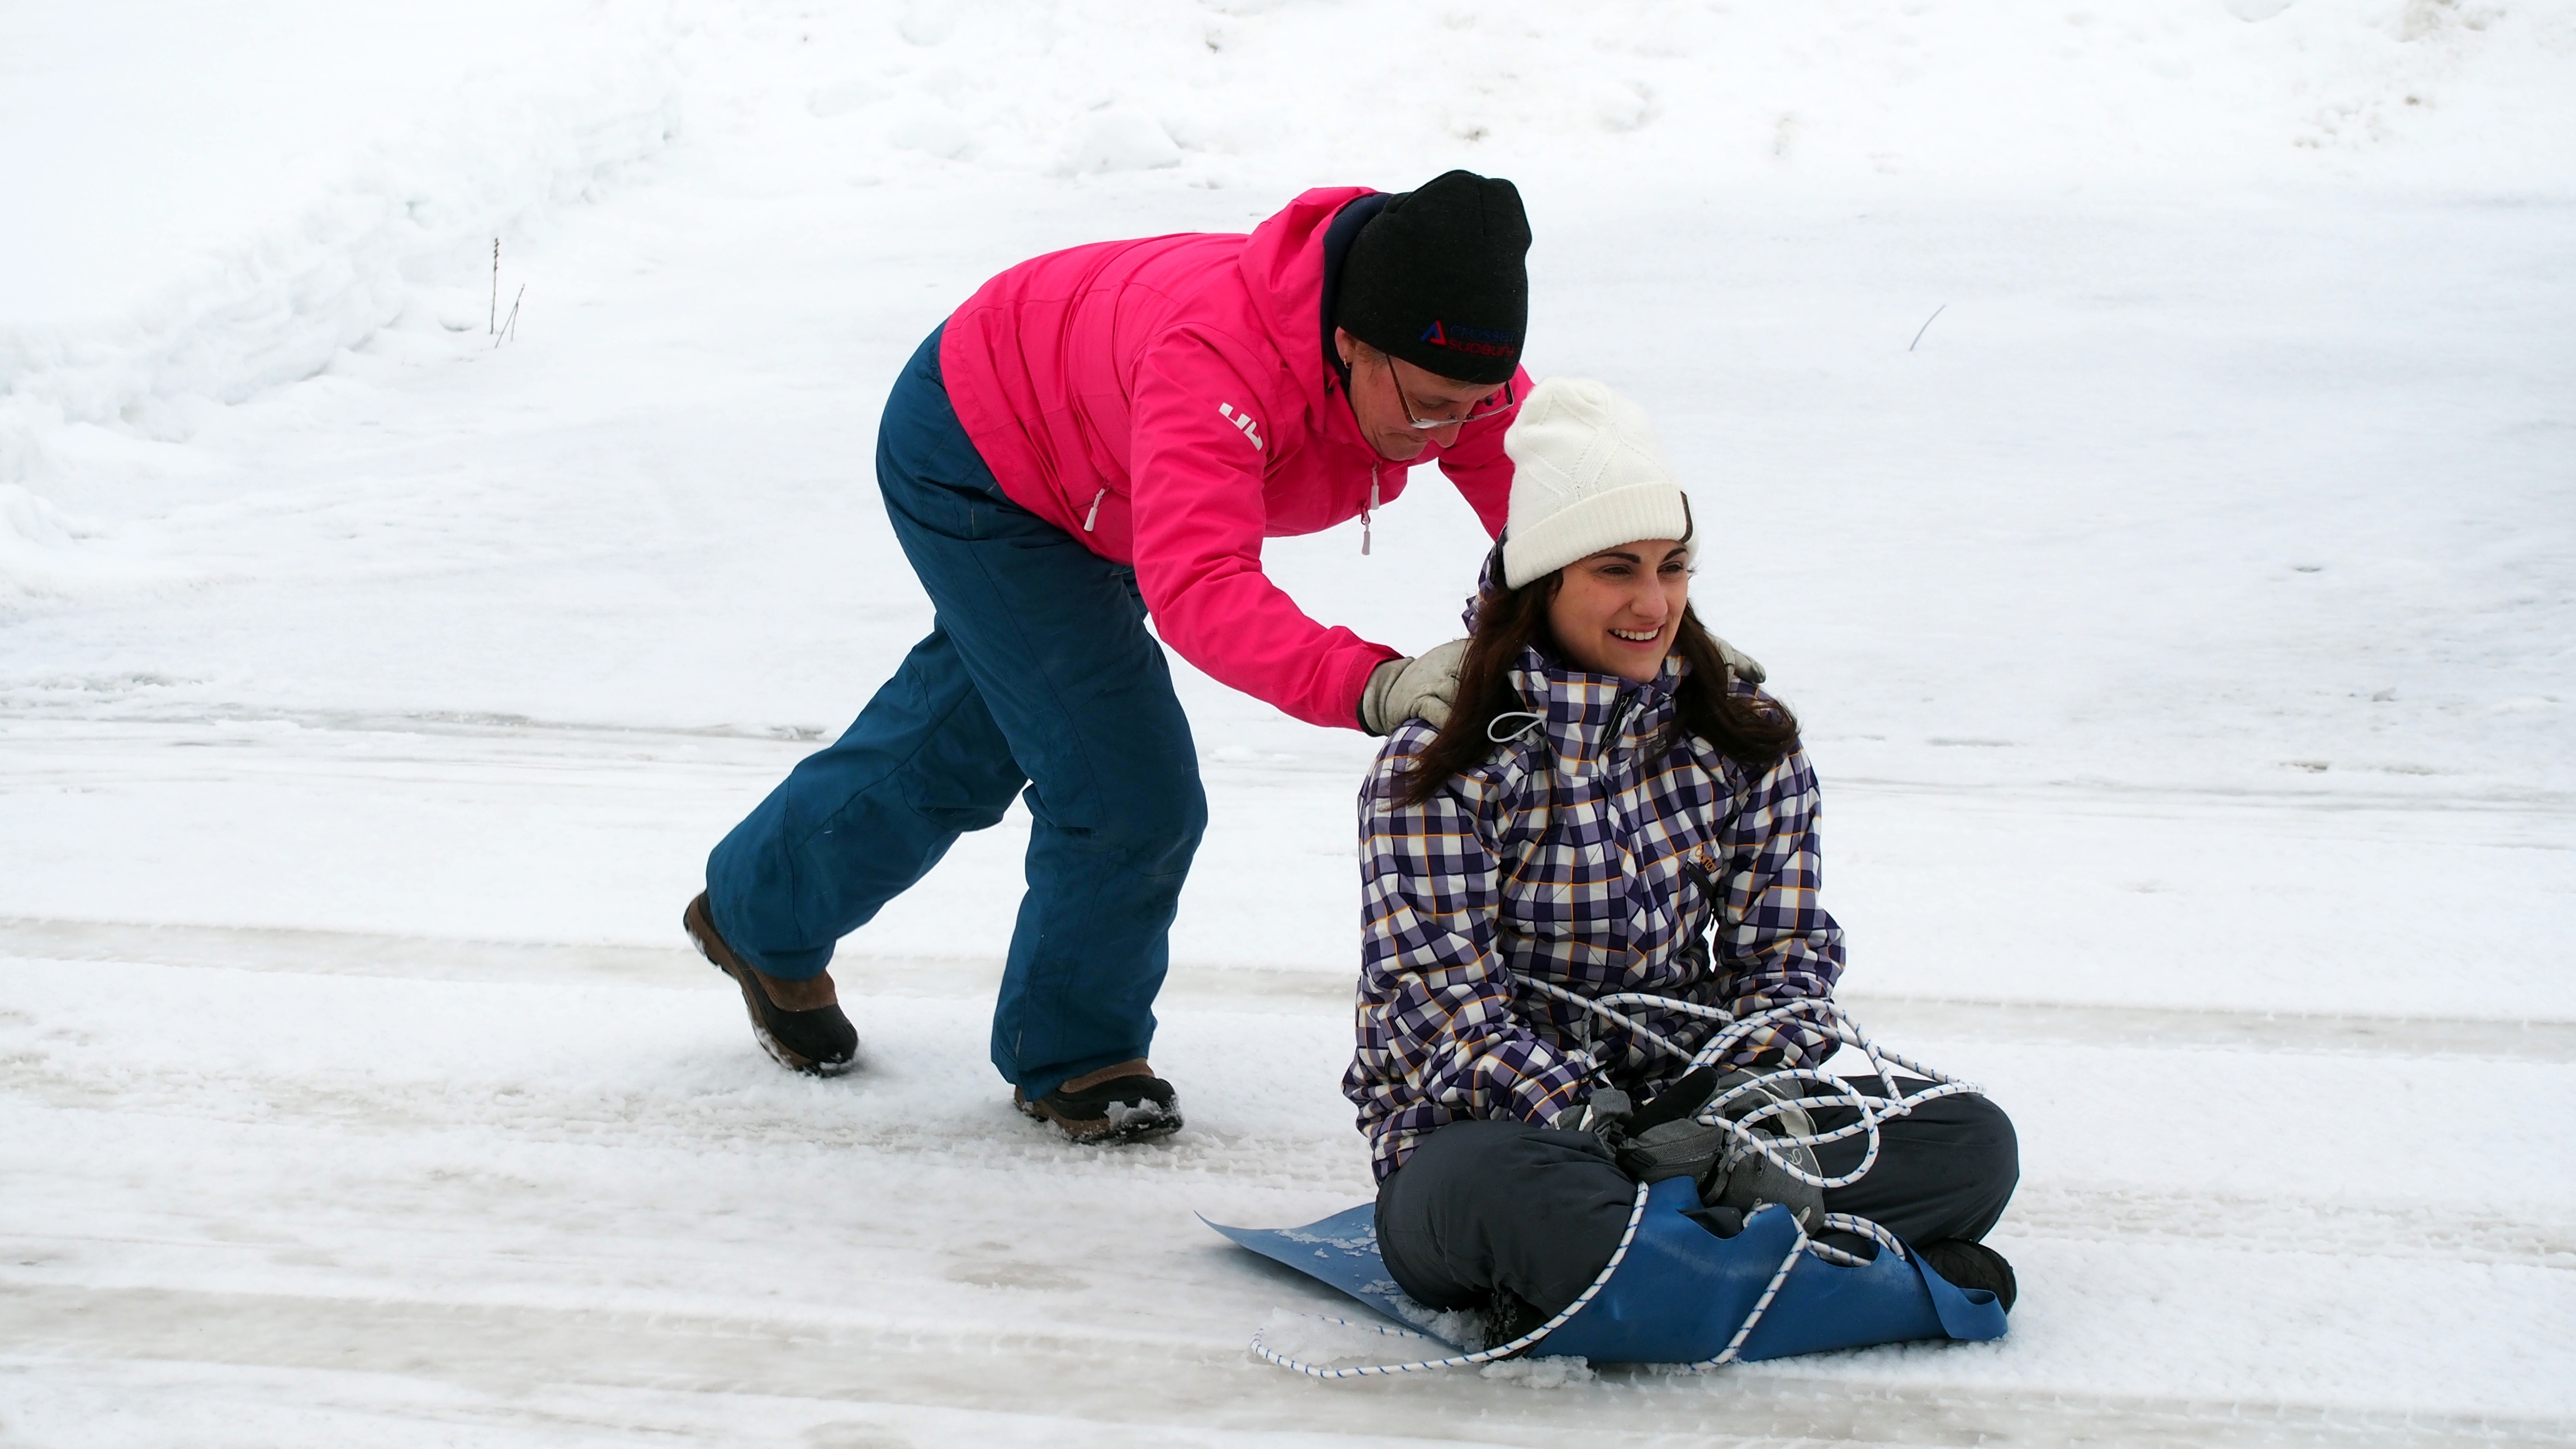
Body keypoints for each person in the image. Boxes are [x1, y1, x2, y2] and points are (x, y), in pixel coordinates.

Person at [681, 171, 1551, 1142]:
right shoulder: (1215, 360)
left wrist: (1649, 628)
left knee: (970, 737)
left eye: (1475, 406)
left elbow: (1550, 517)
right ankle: (1078, 1052)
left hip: (1105, 471)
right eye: (1431, 406)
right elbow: (1200, 583)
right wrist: (1374, 682)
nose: (1449, 433)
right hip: (982, 452)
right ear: (1349, 340)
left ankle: (757, 910)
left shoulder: (1449, 361)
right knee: (1126, 786)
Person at [1344, 377, 2020, 1339]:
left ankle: (1660, 1281)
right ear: (1545, 584)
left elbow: (1782, 963)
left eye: (1674, 566)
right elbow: (1445, 1008)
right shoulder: (1443, 762)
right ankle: (1834, 1277)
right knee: (1527, 1208)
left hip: (1712, 1124)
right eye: (1616, 569)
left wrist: (1741, 1111)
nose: (1653, 602)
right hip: (1505, 1142)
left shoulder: (1739, 739)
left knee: (1971, 1145)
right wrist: (1600, 1122)